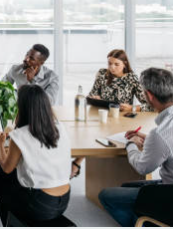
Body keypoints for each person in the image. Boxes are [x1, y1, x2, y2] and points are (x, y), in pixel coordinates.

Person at [0, 85, 71, 226]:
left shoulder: (20, 135)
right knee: (7, 177)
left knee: (3, 181)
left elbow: (7, 167)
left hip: (41, 204)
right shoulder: (59, 128)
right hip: (63, 200)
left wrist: (1, 144)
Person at [98, 67, 173, 227]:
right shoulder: (161, 134)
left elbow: (142, 167)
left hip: (170, 194)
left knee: (106, 195)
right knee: (126, 186)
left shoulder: (160, 133)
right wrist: (149, 140)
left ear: (150, 96)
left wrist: (130, 144)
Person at [72, 49, 151, 178]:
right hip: (100, 115)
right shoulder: (102, 73)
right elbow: (92, 94)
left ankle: (76, 163)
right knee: (90, 137)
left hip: (121, 119)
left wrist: (132, 108)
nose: (111, 67)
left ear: (125, 64)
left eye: (116, 64)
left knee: (102, 138)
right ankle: (77, 164)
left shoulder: (132, 78)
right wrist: (94, 97)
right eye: (109, 63)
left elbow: (148, 105)